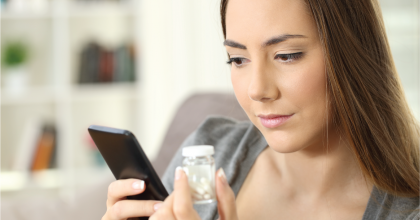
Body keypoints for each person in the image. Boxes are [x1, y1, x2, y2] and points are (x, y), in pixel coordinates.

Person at [101, 0, 420, 219]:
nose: (257, 90)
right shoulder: (210, 153)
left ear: (353, 53)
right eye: (237, 59)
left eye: (287, 55)